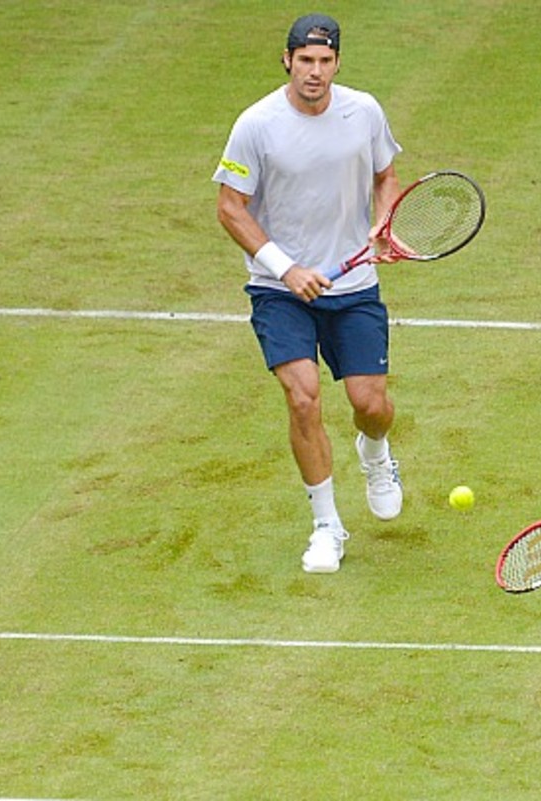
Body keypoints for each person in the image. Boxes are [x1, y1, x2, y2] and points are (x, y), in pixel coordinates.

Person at [213, 13, 405, 574]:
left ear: (337, 63)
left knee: (370, 406)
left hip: (353, 287)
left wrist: (385, 226)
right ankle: (327, 526)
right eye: (305, 61)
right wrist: (285, 267)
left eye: (324, 62)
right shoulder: (256, 124)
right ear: (287, 61)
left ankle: (374, 452)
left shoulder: (363, 112)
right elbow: (230, 207)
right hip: (279, 290)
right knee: (302, 397)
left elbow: (386, 176)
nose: (314, 72)